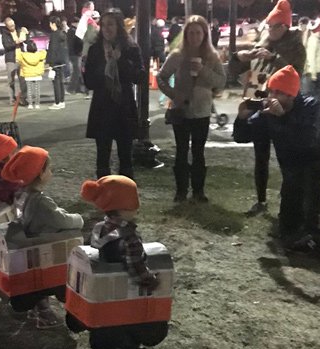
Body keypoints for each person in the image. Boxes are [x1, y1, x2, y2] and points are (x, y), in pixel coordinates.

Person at [233, 65, 320, 250]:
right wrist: (241, 118)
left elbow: (307, 141)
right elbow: (242, 137)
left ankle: (314, 209)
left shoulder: (311, 106)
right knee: (287, 222)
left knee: (303, 218)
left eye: (278, 92)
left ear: (292, 94)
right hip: (292, 167)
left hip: (318, 163)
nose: (272, 96)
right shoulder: (269, 112)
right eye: (271, 91)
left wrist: (282, 117)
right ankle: (313, 207)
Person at [231, 0, 305, 216]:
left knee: (286, 154)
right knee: (260, 154)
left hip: (283, 106)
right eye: (269, 26)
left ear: (285, 26)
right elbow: (238, 70)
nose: (271, 30)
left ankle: (290, 199)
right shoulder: (262, 42)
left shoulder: (295, 46)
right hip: (258, 101)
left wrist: (274, 58)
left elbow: (296, 72)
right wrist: (240, 57)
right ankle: (261, 201)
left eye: (275, 26)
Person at [80, 175, 162, 349]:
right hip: (123, 294)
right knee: (130, 319)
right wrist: (153, 280)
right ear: (127, 205)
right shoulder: (129, 238)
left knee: (108, 322)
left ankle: (106, 344)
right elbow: (136, 270)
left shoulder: (99, 227)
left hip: (101, 294)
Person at [1, 145, 84, 329]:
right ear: (40, 173)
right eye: (49, 168)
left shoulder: (21, 194)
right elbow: (60, 220)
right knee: (49, 281)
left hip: (31, 240)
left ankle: (39, 309)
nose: (52, 171)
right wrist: (78, 219)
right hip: (45, 245)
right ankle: (45, 314)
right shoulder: (40, 201)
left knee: (39, 282)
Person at [157, 15, 226, 203]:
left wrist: (203, 69)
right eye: (191, 33)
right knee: (181, 151)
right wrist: (173, 94)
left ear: (205, 34)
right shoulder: (177, 56)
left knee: (198, 151)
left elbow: (221, 81)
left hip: (202, 111)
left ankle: (198, 191)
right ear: (185, 34)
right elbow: (161, 77)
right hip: (182, 109)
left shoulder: (212, 57)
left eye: (198, 33)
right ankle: (181, 191)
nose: (195, 37)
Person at [84, 9, 144, 180]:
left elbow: (139, 77)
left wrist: (121, 61)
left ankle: (126, 195)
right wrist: (103, 70)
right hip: (102, 109)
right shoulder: (95, 49)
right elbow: (89, 81)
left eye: (110, 24)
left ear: (119, 26)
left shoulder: (130, 48)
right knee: (103, 157)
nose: (106, 29)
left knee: (126, 157)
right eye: (103, 25)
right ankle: (105, 196)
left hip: (123, 108)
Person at [1, 17, 29, 106]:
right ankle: (12, 99)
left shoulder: (18, 30)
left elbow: (27, 41)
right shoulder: (5, 34)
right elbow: (7, 46)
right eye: (10, 26)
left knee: (23, 80)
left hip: (20, 58)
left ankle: (23, 98)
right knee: (11, 81)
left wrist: (26, 33)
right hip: (11, 60)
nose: (13, 27)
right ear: (7, 26)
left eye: (13, 25)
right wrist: (16, 42)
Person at [16, 40, 46, 110]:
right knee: (37, 90)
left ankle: (30, 104)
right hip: (37, 74)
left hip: (28, 74)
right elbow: (44, 52)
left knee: (29, 90)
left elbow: (17, 57)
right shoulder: (40, 54)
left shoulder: (23, 55)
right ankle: (37, 104)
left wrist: (18, 47)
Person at [47, 16, 68, 110]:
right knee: (61, 82)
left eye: (50, 24)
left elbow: (53, 49)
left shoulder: (54, 35)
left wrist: (50, 63)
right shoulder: (62, 34)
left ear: (53, 24)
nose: (49, 25)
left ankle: (57, 102)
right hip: (62, 60)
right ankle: (62, 101)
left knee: (56, 82)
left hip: (55, 61)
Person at [303, 19, 320, 99]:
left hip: (319, 71)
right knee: (316, 95)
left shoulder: (317, 39)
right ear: (318, 29)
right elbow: (311, 58)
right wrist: (313, 75)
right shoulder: (313, 41)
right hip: (316, 72)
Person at [67, 16, 87, 95]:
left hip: (73, 53)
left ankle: (77, 88)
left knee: (77, 71)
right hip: (75, 53)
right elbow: (78, 42)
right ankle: (71, 88)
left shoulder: (70, 31)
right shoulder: (74, 31)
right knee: (77, 71)